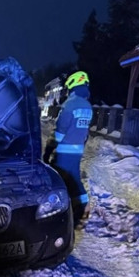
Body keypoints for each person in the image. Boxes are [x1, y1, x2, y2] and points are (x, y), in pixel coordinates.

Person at [49, 71, 93, 220]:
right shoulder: (87, 106)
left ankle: (60, 210)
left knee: (57, 179)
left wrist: (50, 147)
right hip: (78, 150)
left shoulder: (70, 104)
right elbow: (84, 131)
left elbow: (61, 130)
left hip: (64, 150)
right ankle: (84, 207)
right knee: (74, 178)